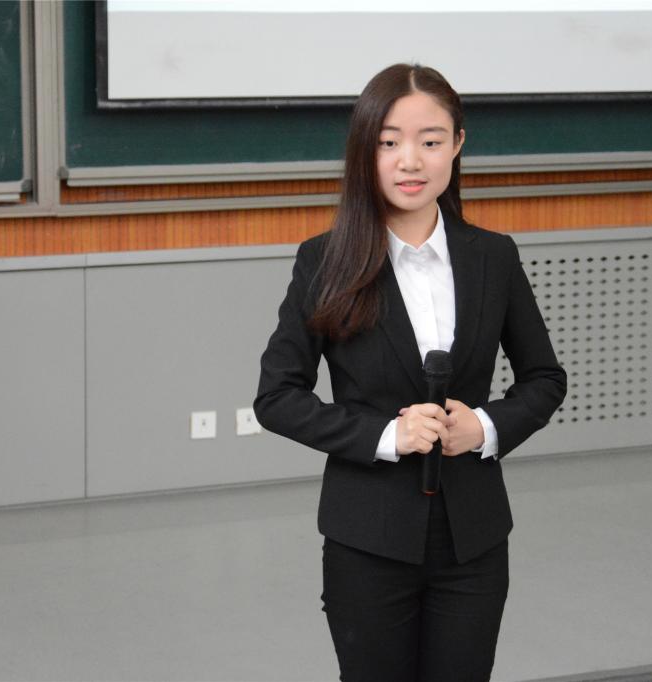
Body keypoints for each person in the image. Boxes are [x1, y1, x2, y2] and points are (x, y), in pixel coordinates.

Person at [254, 63, 567, 682]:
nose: (410, 161)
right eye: (389, 141)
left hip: (474, 540)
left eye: (430, 140)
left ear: (457, 145)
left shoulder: (494, 256)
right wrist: (384, 436)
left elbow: (544, 379)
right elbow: (277, 396)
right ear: (365, 151)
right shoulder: (325, 260)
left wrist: (484, 428)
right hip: (367, 539)